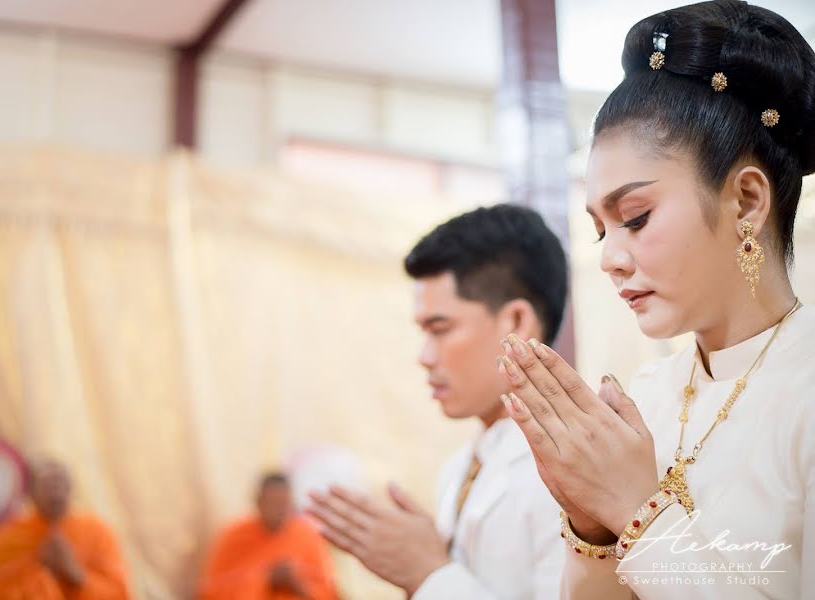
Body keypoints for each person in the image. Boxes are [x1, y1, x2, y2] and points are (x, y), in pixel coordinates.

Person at [497, 1, 815, 598]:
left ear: (746, 201)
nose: (610, 258)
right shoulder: (643, 401)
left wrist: (636, 510)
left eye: (635, 218)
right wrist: (591, 522)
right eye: (600, 229)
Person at [308, 205, 568, 598]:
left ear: (515, 321)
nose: (424, 356)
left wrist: (428, 572)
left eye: (440, 328)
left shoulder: (571, 470)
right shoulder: (458, 469)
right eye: (423, 330)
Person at [0, 458, 130, 599]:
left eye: (62, 484)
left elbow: (119, 594)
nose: (56, 492)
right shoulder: (10, 536)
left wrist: (75, 573)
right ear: (30, 493)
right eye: (48, 485)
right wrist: (39, 567)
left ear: (72, 489)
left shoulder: (97, 531)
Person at [197, 472, 337, 600]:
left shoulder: (308, 536)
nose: (279, 511)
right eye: (273, 504)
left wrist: (299, 585)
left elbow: (329, 593)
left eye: (283, 504)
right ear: (258, 502)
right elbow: (210, 591)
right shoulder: (234, 535)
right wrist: (266, 580)